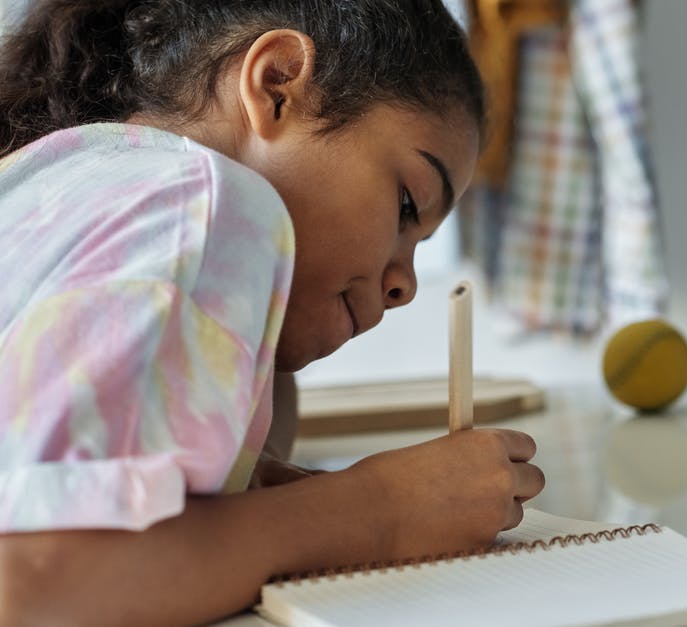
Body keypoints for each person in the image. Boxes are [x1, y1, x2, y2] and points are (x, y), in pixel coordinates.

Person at [0, 1, 546, 624]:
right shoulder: (205, 201)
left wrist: (263, 482)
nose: (406, 286)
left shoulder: (66, 181)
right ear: (278, 84)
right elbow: (36, 583)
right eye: (405, 206)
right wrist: (381, 509)